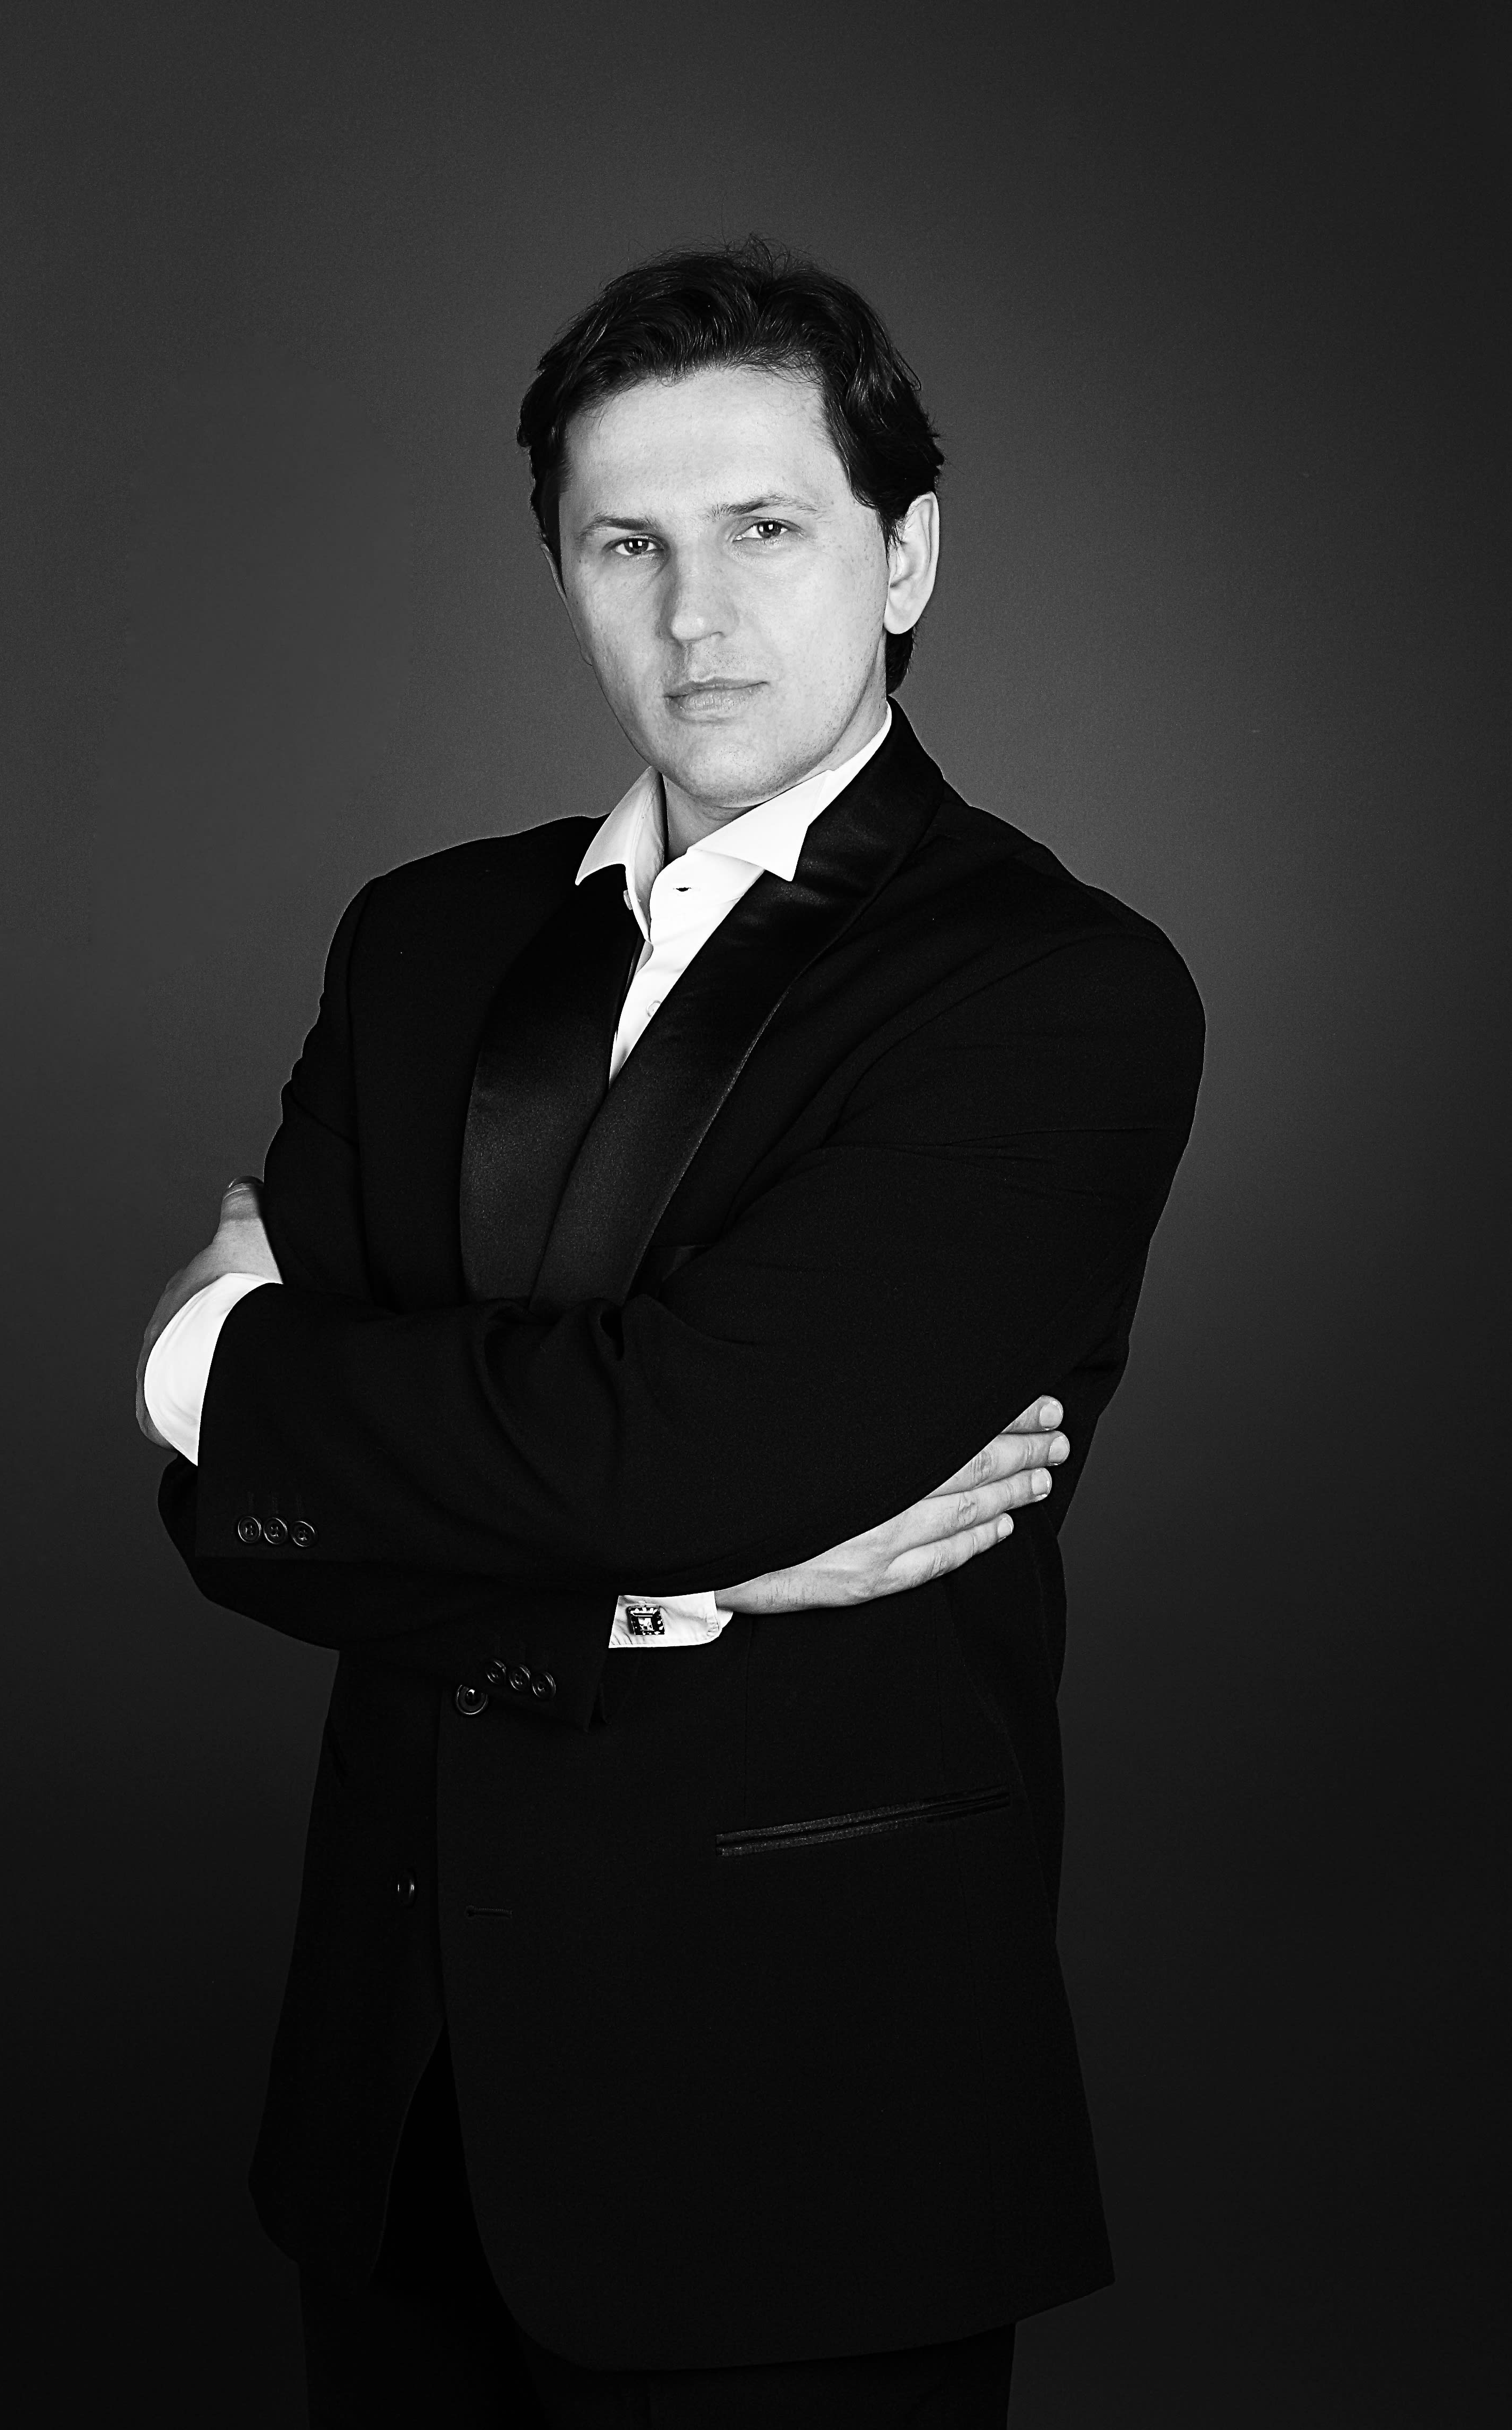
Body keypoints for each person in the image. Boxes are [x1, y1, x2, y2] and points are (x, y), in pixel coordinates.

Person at [138, 239, 1204, 2427]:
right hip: (395, 2096)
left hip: (801, 2120)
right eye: (625, 544)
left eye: (766, 529)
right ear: (562, 572)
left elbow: (674, 1453)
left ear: (905, 558)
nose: (694, 614)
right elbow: (239, 1529)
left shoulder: (1054, 989)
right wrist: (672, 1583)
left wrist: (204, 1369)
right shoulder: (423, 937)